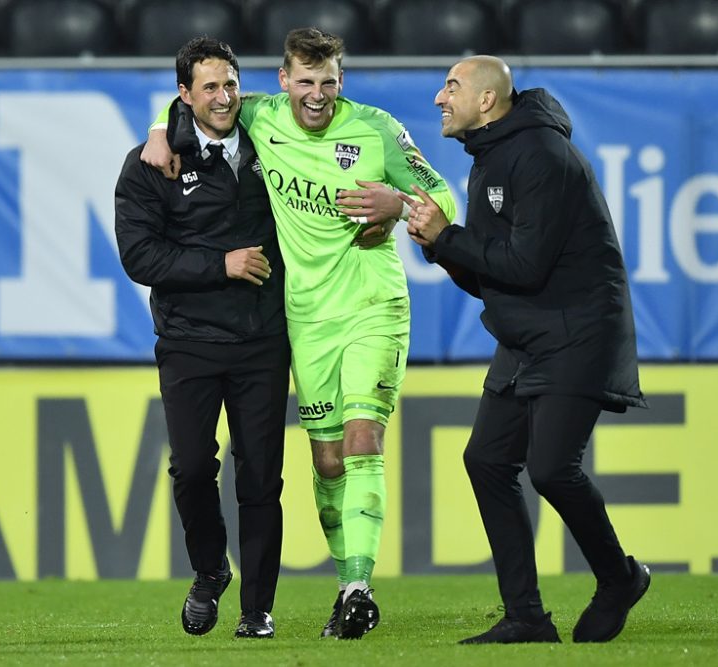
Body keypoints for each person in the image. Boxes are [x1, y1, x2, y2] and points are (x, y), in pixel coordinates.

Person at [143, 28, 456, 639]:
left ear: (343, 82)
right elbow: (201, 101)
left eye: (329, 83)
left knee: (363, 437)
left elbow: (441, 193)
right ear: (283, 82)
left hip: (372, 304)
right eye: (306, 82)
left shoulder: (377, 129)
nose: (317, 96)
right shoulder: (260, 116)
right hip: (305, 320)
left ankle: (358, 587)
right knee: (328, 458)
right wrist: (160, 128)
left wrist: (396, 204)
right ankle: (348, 585)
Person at [401, 55, 651, 645]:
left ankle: (619, 577)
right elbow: (496, 277)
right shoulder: (491, 157)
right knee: (487, 460)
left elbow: (526, 265)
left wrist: (448, 238)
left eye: (452, 86)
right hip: (531, 333)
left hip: (578, 331)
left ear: (487, 101)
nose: (440, 97)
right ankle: (527, 618)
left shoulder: (539, 155)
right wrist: (439, 246)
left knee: (550, 469)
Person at [114, 37, 291, 640]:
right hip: (189, 340)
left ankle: (257, 609)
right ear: (184, 95)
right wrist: (222, 265)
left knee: (262, 477)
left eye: (231, 84)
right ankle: (211, 569)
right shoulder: (151, 163)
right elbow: (140, 255)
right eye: (209, 87)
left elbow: (317, 114)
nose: (224, 97)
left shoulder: (275, 139)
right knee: (192, 470)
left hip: (264, 337)